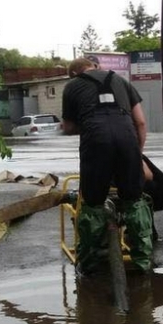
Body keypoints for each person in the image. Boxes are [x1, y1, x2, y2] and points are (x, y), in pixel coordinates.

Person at [62, 57, 153, 274]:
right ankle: (143, 262)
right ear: (94, 66)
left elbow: (68, 127)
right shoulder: (121, 80)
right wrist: (136, 155)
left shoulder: (72, 86)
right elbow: (140, 122)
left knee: (92, 204)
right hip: (127, 138)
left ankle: (89, 265)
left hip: (96, 141)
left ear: (74, 73)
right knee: (134, 200)